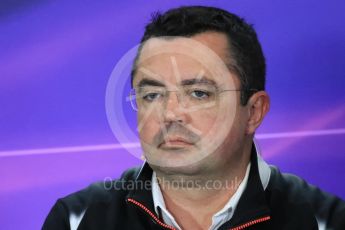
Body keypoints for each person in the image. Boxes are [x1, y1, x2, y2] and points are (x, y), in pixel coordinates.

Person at [42, 6, 345, 230]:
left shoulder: (325, 221)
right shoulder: (76, 219)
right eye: (152, 95)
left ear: (253, 112)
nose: (171, 114)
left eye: (199, 93)